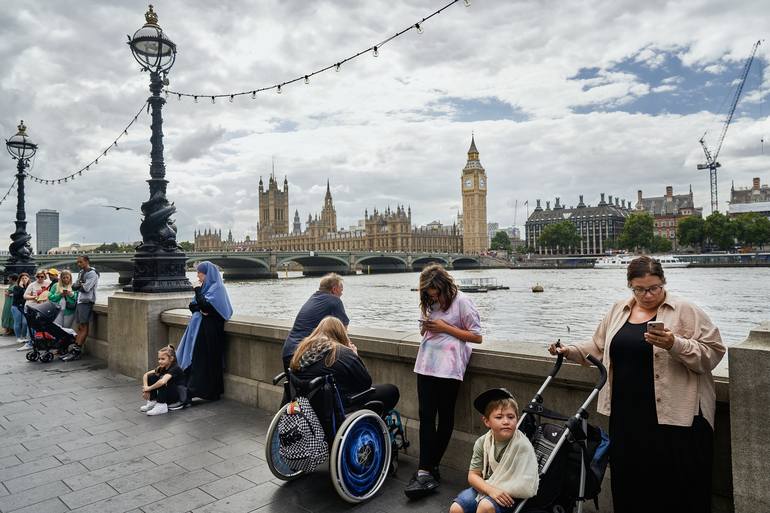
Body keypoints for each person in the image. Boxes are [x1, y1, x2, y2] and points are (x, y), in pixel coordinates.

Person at [548, 255, 725, 513]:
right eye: (639, 289)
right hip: (628, 416)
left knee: (677, 489)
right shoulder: (618, 310)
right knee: (632, 485)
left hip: (675, 418)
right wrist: (569, 350)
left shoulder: (686, 310)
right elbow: (598, 347)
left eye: (654, 288)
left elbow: (714, 352)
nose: (648, 295)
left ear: (664, 282)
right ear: (630, 286)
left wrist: (674, 344)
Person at [405, 264, 482, 499]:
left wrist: (444, 327)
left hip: (449, 368)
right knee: (426, 417)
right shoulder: (428, 303)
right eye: (429, 294)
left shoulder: (463, 302)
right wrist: (427, 326)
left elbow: (477, 336)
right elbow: (424, 333)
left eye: (436, 293)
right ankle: (426, 468)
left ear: (445, 287)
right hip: (426, 364)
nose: (434, 297)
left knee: (445, 416)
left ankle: (428, 468)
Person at [290, 316, 399, 437]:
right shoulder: (342, 353)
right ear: (340, 333)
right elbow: (365, 382)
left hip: (306, 407)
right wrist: (355, 355)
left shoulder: (302, 351)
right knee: (391, 391)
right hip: (335, 408)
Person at [450, 389, 539, 513]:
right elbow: (473, 475)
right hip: (488, 486)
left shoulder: (522, 446)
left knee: (485, 506)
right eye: (499, 417)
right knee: (456, 509)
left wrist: (495, 492)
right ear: (487, 422)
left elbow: (524, 483)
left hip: (511, 494)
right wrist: (490, 490)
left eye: (511, 417)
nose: (506, 421)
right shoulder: (482, 443)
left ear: (517, 419)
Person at [177, 261, 233, 403]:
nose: (198, 276)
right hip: (200, 331)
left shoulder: (217, 288)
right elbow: (193, 306)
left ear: (208, 274)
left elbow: (206, 307)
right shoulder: (206, 288)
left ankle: (208, 392)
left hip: (211, 332)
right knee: (198, 360)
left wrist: (198, 294)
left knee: (207, 361)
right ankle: (194, 391)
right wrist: (201, 306)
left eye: (200, 273)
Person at [282, 273, 348, 370]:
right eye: (341, 290)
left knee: (296, 385)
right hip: (304, 355)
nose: (342, 293)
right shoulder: (334, 300)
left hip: (288, 352)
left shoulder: (313, 298)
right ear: (334, 289)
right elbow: (343, 332)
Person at [62, 255, 99, 361]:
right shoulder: (81, 272)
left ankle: (77, 351)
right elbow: (75, 286)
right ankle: (75, 350)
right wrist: (79, 285)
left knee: (83, 326)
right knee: (79, 327)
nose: (78, 264)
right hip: (79, 301)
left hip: (86, 302)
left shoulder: (92, 273)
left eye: (81, 262)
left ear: (87, 261)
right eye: (77, 262)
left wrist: (79, 285)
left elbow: (86, 288)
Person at [140, 345, 185, 416]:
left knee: (162, 380)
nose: (160, 361)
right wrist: (146, 390)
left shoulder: (175, 368)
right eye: (159, 359)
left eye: (163, 359)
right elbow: (146, 375)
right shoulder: (162, 367)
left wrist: (149, 388)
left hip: (177, 397)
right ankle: (153, 401)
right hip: (169, 395)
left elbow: (162, 382)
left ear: (171, 359)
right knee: (151, 376)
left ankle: (161, 405)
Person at [12, 273, 30, 350]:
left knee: (25, 322)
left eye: (26, 278)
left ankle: (24, 336)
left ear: (28, 279)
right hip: (16, 307)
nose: (24, 279)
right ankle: (18, 337)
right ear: (20, 280)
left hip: (25, 307)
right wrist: (21, 287)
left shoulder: (30, 287)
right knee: (17, 322)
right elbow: (17, 296)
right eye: (22, 278)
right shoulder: (16, 287)